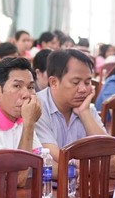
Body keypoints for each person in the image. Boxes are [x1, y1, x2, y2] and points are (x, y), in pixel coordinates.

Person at [35, 49, 108, 177]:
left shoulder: (87, 108)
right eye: (75, 82)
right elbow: (52, 155)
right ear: (54, 82)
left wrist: (84, 113)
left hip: (81, 185)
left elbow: (107, 150)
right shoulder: (37, 107)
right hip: (46, 188)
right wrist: (97, 167)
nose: (83, 89)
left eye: (87, 82)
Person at [0, 57, 42, 185]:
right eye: (17, 86)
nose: (26, 94)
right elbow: (15, 180)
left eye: (31, 87)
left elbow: (42, 163)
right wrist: (29, 124)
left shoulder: (22, 117)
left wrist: (75, 171)